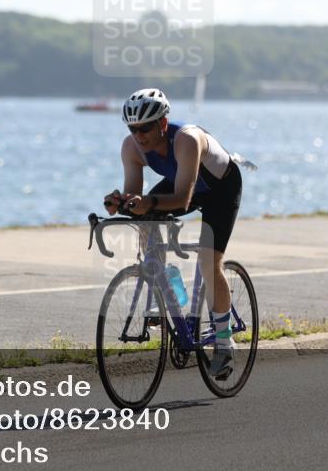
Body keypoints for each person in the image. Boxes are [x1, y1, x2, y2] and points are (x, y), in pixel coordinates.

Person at [103, 88, 243, 380]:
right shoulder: (131, 147)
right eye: (133, 129)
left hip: (220, 190)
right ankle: (171, 293)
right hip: (182, 185)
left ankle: (224, 340)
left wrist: (147, 204)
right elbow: (135, 196)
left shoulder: (187, 140)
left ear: (162, 124)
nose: (139, 135)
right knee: (147, 223)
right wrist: (122, 202)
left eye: (145, 128)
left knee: (208, 263)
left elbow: (181, 198)